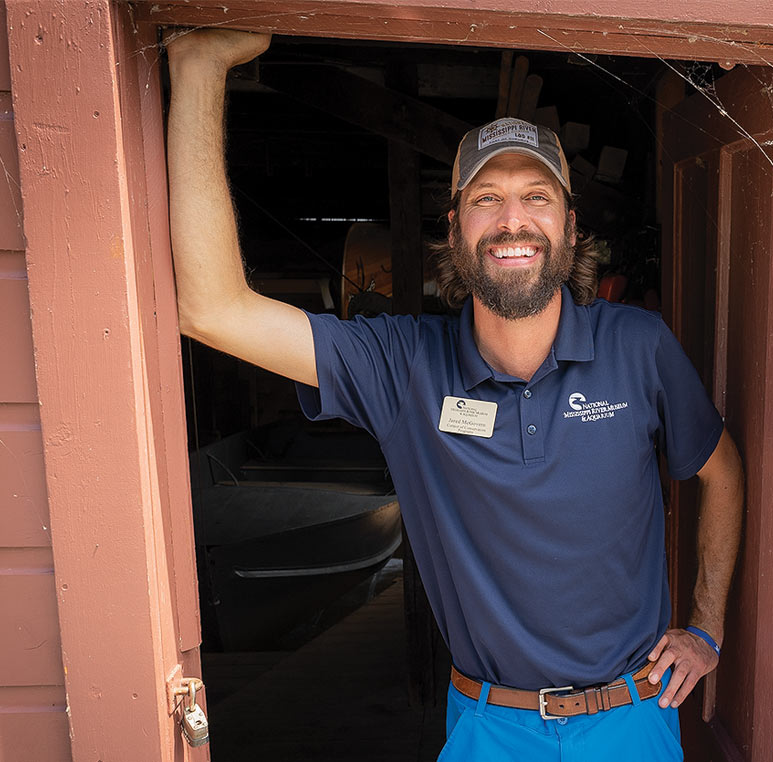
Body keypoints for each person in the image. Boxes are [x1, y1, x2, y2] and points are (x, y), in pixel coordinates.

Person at [166, 28, 743, 761]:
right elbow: (210, 309)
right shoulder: (404, 364)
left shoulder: (638, 347)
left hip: (630, 718)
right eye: (487, 199)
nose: (513, 220)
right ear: (455, 225)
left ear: (569, 225)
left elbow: (720, 469)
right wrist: (200, 67)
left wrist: (707, 627)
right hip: (488, 729)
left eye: (537, 196)